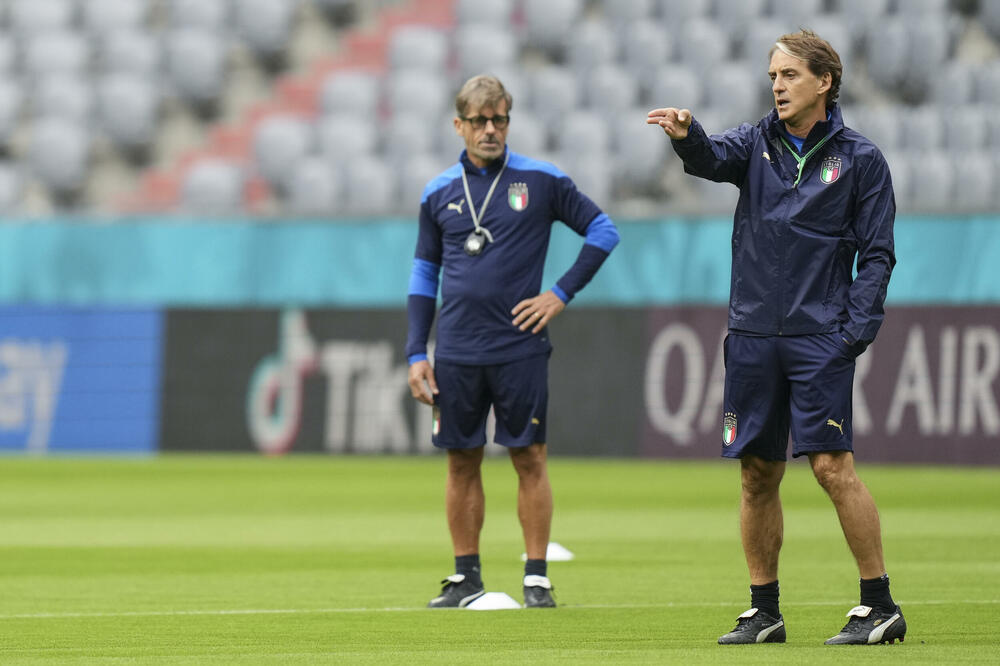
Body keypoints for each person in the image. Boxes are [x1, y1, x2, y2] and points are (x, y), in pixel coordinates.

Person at [648, 30, 903, 645]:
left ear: (825, 82)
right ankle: (765, 610)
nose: (778, 87)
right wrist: (688, 134)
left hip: (821, 338)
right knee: (756, 475)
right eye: (773, 77)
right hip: (754, 335)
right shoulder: (753, 142)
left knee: (832, 469)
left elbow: (877, 256)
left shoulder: (862, 160)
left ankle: (880, 605)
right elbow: (711, 160)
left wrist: (853, 334)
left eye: (789, 76)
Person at [406, 74, 620, 609]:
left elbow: (604, 231)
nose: (490, 129)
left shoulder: (541, 180)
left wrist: (560, 294)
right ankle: (465, 576)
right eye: (478, 120)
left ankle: (537, 576)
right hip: (455, 350)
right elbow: (422, 277)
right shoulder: (437, 193)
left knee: (529, 457)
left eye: (499, 119)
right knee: (461, 460)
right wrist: (415, 352)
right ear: (458, 125)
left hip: (519, 346)